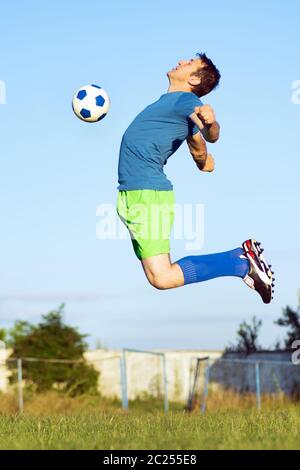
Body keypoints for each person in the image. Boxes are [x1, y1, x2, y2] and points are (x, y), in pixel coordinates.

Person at [117, 53, 274, 303]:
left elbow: (210, 133)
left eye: (189, 63)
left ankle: (240, 262)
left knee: (162, 277)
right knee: (157, 276)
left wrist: (211, 125)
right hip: (134, 193)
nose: (180, 62)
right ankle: (240, 261)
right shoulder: (174, 106)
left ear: (193, 79)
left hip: (146, 193)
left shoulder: (185, 100)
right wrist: (204, 160)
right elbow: (201, 152)